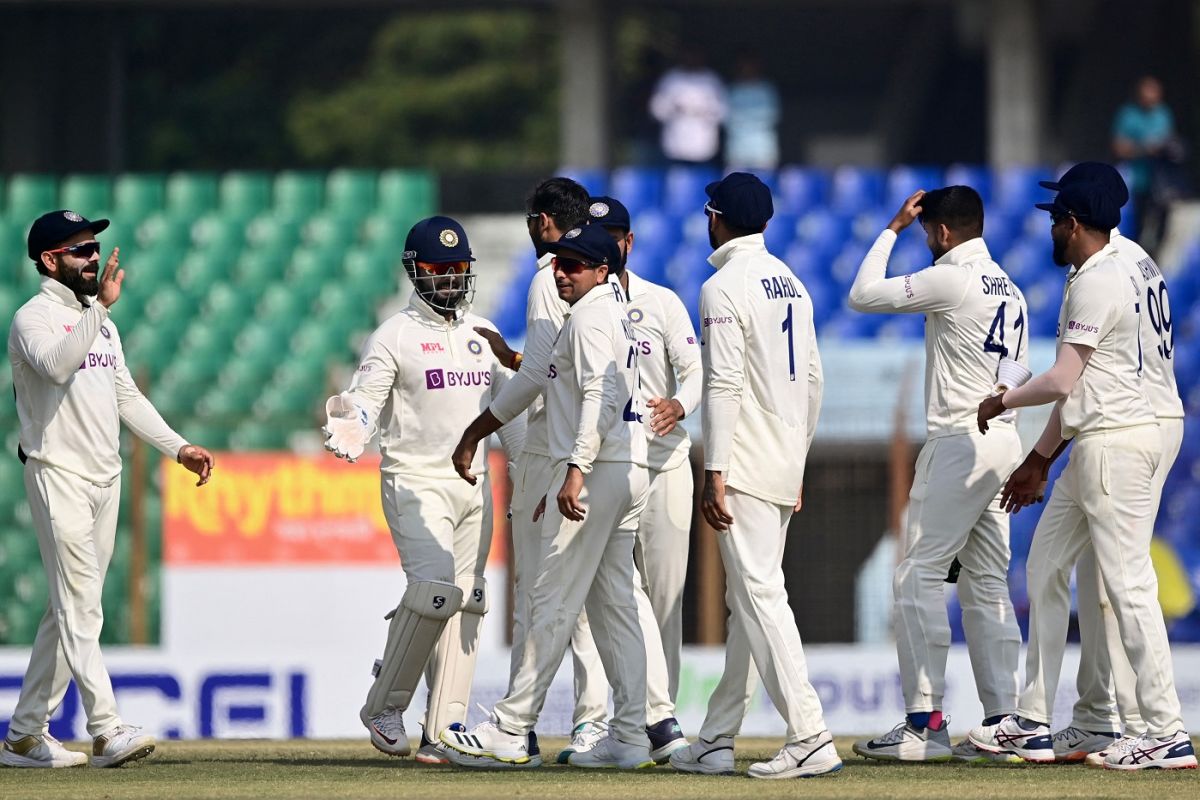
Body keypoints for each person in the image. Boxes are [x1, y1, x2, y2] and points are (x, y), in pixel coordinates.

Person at [971, 181, 1196, 770]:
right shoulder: (1135, 259)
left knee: (1124, 583)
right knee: (1049, 561)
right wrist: (1041, 459)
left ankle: (1163, 731)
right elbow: (1089, 385)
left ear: (1073, 222)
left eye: (1054, 220)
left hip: (1117, 439)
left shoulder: (1096, 280)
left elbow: (1064, 381)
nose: (1049, 229)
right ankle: (1064, 720)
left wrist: (1004, 401)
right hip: (1130, 426)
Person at [1, 210, 214, 769]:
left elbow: (125, 397)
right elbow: (55, 366)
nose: (94, 257)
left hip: (105, 476)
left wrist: (178, 447)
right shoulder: (34, 319)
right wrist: (99, 309)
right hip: (58, 474)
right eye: (80, 250)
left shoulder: (101, 323)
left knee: (67, 609)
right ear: (50, 261)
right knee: (80, 609)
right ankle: (107, 727)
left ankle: (24, 734)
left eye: (95, 247)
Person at [441, 223, 654, 769]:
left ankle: (513, 730)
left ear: (603, 270)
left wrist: (575, 470)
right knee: (615, 609)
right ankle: (630, 736)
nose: (561, 272)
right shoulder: (609, 313)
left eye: (575, 265)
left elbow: (601, 397)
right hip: (623, 468)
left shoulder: (587, 318)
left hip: (597, 469)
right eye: (559, 262)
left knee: (551, 601)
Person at [322, 216, 525, 764]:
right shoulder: (394, 335)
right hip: (414, 479)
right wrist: (355, 424)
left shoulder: (484, 335)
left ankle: (446, 727)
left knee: (469, 600)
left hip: (475, 484)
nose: (450, 280)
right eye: (438, 270)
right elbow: (365, 396)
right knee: (436, 591)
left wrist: (531, 469)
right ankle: (385, 704)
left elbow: (508, 413)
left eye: (458, 269)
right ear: (414, 272)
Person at [669, 172, 841, 779]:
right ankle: (717, 738)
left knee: (761, 595)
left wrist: (713, 470)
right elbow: (814, 380)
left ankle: (810, 733)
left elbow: (723, 383)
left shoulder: (722, 286)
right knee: (748, 600)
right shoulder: (793, 283)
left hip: (742, 460)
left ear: (716, 218)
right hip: (782, 455)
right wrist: (799, 457)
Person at [846, 187, 1026, 763]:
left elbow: (861, 295)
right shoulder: (1013, 289)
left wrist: (892, 228)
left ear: (942, 232)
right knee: (987, 583)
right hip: (1005, 438)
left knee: (917, 574)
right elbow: (1016, 367)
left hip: (959, 438)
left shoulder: (951, 277)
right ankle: (1003, 725)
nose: (927, 243)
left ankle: (925, 723)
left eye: (928, 234)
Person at [1111, 76, 1187, 248]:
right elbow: (1119, 147)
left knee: (1162, 223)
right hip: (1137, 180)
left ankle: (1155, 254)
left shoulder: (1163, 113)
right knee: (1135, 225)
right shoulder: (1128, 115)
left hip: (1160, 181)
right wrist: (1145, 149)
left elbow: (1168, 139)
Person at [649, 50, 728, 166]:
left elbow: (723, 112)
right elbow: (656, 110)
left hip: (704, 148)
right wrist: (675, 109)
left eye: (696, 55)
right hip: (675, 147)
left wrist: (701, 110)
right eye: (689, 55)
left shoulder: (712, 80)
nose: (692, 58)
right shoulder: (670, 79)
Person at [724, 53, 781, 170]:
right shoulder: (732, 89)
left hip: (763, 149)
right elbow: (725, 117)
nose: (747, 69)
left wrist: (745, 119)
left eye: (750, 66)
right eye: (743, 66)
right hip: (737, 149)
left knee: (764, 185)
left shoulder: (767, 89)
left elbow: (772, 115)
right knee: (735, 185)